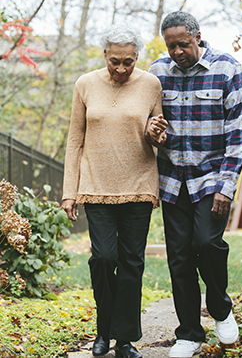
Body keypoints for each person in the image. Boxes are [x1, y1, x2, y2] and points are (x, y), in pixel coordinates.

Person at [145, 11, 242, 358]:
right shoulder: (157, 73)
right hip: (172, 180)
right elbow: (147, 124)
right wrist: (151, 131)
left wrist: (226, 186)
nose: (177, 51)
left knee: (207, 243)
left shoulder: (227, 69)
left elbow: (238, 135)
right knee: (179, 259)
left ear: (198, 37)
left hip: (211, 180)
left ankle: (220, 308)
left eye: (183, 44)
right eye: (171, 45)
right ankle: (189, 333)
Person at [62, 23, 166, 358]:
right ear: (104, 55)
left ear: (137, 57)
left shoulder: (151, 84)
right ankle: (103, 331)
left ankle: (123, 340)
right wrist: (69, 191)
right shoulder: (85, 85)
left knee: (132, 264)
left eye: (128, 62)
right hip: (95, 186)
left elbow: (158, 134)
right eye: (115, 61)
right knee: (104, 258)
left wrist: (156, 131)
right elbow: (74, 141)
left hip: (138, 184)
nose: (121, 68)